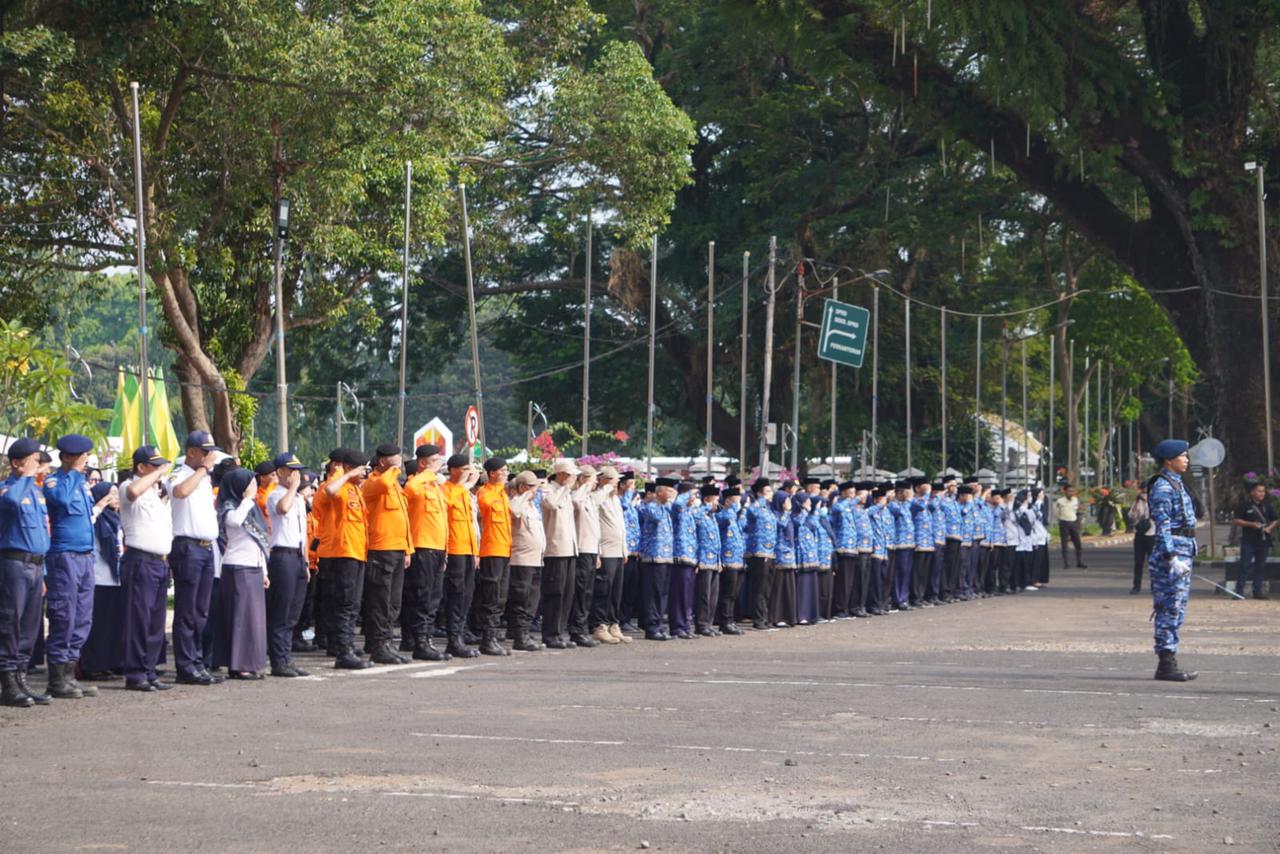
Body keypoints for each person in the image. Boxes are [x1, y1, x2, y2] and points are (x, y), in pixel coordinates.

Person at [42, 434, 105, 699]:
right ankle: (57, 680)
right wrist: (73, 473)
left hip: (84, 557)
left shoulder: (81, 483)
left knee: (82, 617)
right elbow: (63, 502)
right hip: (64, 556)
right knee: (64, 616)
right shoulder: (56, 481)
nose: (86, 460)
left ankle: (70, 675)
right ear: (68, 457)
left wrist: (79, 476)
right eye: (82, 456)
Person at [165, 430, 223, 686]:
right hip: (187, 547)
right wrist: (202, 471)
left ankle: (198, 662)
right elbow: (179, 492)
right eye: (205, 451)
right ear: (191, 452)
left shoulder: (205, 478)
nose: (209, 456)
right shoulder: (181, 473)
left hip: (206, 547)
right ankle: (185, 666)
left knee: (201, 610)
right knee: (187, 610)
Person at [0, 438, 52, 707]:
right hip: (13, 563)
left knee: (31, 626)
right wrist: (25, 477)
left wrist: (43, 573)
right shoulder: (9, 488)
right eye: (32, 460)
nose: (37, 464)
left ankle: (22, 679)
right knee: (11, 623)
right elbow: (9, 502)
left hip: (35, 565)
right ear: (17, 463)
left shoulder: (35, 491)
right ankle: (8, 683)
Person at [118, 446, 174, 692]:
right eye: (155, 466)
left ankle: (149, 670)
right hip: (140, 560)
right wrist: (156, 475)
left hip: (159, 561)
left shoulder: (153, 493)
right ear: (141, 468)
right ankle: (136, 673)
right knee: (138, 620)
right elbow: (132, 491)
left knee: (155, 622)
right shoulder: (130, 486)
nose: (160, 471)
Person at [1147, 439, 1199, 681]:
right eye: (1182, 456)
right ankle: (1166, 663)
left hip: (1182, 550)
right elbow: (1163, 526)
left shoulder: (1176, 484)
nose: (1186, 460)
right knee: (1169, 607)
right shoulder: (1163, 487)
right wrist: (1171, 556)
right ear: (1169, 460)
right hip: (1172, 555)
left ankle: (1168, 659)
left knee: (1177, 608)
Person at [213, 467, 270, 679]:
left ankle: (251, 662)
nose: (253, 488)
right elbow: (235, 522)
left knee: (253, 621)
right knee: (241, 619)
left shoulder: (251, 508)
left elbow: (259, 542)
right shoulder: (230, 507)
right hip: (237, 567)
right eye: (249, 483)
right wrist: (247, 499)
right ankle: (238, 665)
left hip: (253, 567)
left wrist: (264, 570)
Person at [361, 444, 412, 664]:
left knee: (393, 602)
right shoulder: (374, 481)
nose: (398, 461)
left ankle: (384, 643)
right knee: (380, 601)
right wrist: (393, 469)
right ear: (382, 461)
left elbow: (404, 520)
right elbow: (381, 483)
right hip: (380, 550)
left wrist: (408, 549)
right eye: (394, 458)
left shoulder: (396, 487)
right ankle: (379, 645)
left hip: (397, 549)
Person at [321, 448, 371, 669]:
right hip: (343, 552)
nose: (365, 473)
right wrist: (348, 475)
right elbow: (329, 491)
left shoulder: (355, 490)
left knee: (353, 604)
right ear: (350, 468)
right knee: (345, 604)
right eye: (362, 469)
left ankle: (347, 647)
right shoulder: (339, 485)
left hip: (357, 551)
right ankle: (343, 652)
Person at [402, 444, 450, 660]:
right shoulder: (418, 483)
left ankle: (427, 639)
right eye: (435, 461)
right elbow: (410, 489)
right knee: (422, 596)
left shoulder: (434, 487)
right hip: (423, 546)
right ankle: (420, 641)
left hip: (438, 548)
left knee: (434, 597)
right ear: (423, 463)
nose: (439, 466)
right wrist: (427, 473)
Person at [265, 453, 310, 677]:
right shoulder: (276, 495)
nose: (297, 475)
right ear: (281, 472)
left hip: (298, 556)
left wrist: (307, 560)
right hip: (282, 556)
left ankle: (286, 657)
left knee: (293, 612)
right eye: (292, 471)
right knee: (281, 611)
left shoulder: (300, 500)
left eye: (298, 471)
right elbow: (282, 508)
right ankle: (278, 661)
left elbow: (302, 531)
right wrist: (293, 487)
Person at [80, 481, 123, 680]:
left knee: (112, 624)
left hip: (116, 578)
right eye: (110, 494)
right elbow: (87, 522)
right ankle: (92, 665)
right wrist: (100, 505)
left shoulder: (118, 519)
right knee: (97, 625)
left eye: (116, 493)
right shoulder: (97, 518)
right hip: (98, 577)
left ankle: (109, 663)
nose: (115, 497)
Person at [441, 454, 482, 658]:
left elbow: (472, 525)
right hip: (454, 549)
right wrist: (465, 485)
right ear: (454, 470)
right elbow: (446, 507)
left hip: (468, 549)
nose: (469, 473)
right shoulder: (448, 489)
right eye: (465, 468)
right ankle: (453, 639)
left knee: (466, 595)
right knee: (456, 595)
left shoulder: (464, 493)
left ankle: (460, 635)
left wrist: (476, 552)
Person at [475, 456, 513, 656]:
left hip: (504, 549)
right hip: (491, 550)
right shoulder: (486, 492)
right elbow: (486, 507)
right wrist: (497, 488)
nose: (506, 474)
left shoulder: (503, 494)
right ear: (492, 473)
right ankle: (487, 639)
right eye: (503, 471)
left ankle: (493, 635)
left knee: (501, 596)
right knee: (491, 596)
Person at [540, 459, 580, 648]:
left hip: (569, 547)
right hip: (555, 548)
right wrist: (564, 488)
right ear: (562, 474)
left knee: (567, 592)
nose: (573, 478)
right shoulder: (549, 489)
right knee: (555, 592)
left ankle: (560, 631)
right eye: (571, 475)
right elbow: (551, 505)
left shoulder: (566, 492)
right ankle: (550, 633)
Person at [507, 469, 546, 651]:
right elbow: (513, 510)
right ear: (522, 487)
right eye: (531, 487)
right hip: (521, 560)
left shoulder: (531, 506)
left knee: (532, 599)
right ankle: (519, 635)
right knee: (521, 598)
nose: (535, 491)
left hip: (535, 559)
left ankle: (525, 631)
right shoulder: (517, 502)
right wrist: (524, 495)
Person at [590, 466, 627, 645]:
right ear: (603, 480)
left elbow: (621, 525)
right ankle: (600, 625)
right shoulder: (599, 496)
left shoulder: (616, 499)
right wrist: (604, 489)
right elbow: (594, 508)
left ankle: (613, 622)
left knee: (616, 591)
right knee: (603, 589)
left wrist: (625, 549)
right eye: (612, 480)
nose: (616, 484)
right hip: (605, 550)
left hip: (618, 550)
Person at [637, 476, 676, 640]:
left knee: (663, 593)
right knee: (653, 593)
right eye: (669, 490)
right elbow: (657, 518)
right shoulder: (651, 507)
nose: (672, 494)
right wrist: (670, 502)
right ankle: (651, 627)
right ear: (660, 492)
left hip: (666, 557)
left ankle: (659, 625)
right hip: (653, 557)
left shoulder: (665, 508)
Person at [569, 464, 602, 647]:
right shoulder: (579, 496)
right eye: (592, 478)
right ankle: (577, 629)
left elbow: (595, 528)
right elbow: (575, 500)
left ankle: (582, 628)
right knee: (581, 591)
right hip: (581, 549)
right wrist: (584, 484)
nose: (595, 482)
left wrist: (598, 551)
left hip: (591, 548)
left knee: (588, 591)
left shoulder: (590, 499)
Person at [743, 478, 779, 630]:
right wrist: (761, 498)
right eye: (768, 491)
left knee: (766, 589)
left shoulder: (768, 510)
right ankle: (758, 619)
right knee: (759, 588)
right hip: (758, 553)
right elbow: (751, 512)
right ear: (759, 494)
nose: (771, 494)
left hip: (770, 553)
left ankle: (764, 617)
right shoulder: (756, 507)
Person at [1231, 480, 1276, 600]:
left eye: (1263, 491)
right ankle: (1239, 592)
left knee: (1260, 567)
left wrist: (1269, 528)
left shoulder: (1267, 505)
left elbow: (1275, 519)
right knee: (1244, 566)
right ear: (1252, 492)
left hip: (1263, 541)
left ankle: (1258, 591)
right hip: (1248, 541)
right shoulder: (1245, 505)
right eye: (1259, 491)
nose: (1262, 494)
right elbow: (1236, 520)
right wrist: (1251, 524)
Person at [714, 485, 746, 634]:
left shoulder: (735, 517)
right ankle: (724, 622)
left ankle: (730, 620)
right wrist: (732, 508)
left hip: (738, 559)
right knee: (727, 593)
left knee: (734, 594)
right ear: (727, 502)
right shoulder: (723, 515)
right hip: (728, 559)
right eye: (735, 501)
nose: (738, 504)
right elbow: (725, 519)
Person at [692, 483, 722, 636]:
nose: (717, 504)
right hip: (703, 559)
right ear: (706, 500)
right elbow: (695, 519)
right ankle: (701, 624)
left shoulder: (713, 517)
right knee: (703, 594)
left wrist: (719, 560)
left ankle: (709, 623)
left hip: (714, 560)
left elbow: (716, 540)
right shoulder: (699, 513)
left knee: (713, 595)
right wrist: (706, 507)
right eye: (714, 501)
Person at [1126, 484, 1155, 594]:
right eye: (1143, 490)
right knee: (1138, 562)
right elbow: (1131, 515)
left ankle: (1154, 586)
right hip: (1140, 534)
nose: (1144, 493)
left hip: (1152, 534)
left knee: (1153, 562)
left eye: (1146, 491)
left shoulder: (1155, 501)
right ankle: (1136, 586)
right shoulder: (1137, 502)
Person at [1054, 485, 1087, 569]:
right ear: (1065, 492)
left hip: (1074, 522)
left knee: (1078, 543)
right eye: (1069, 491)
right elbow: (1056, 512)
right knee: (1064, 544)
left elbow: (1077, 509)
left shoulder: (1075, 500)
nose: (1070, 493)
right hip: (1064, 522)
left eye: (1072, 491)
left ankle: (1079, 562)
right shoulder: (1060, 501)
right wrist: (1060, 519)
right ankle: (1066, 563)